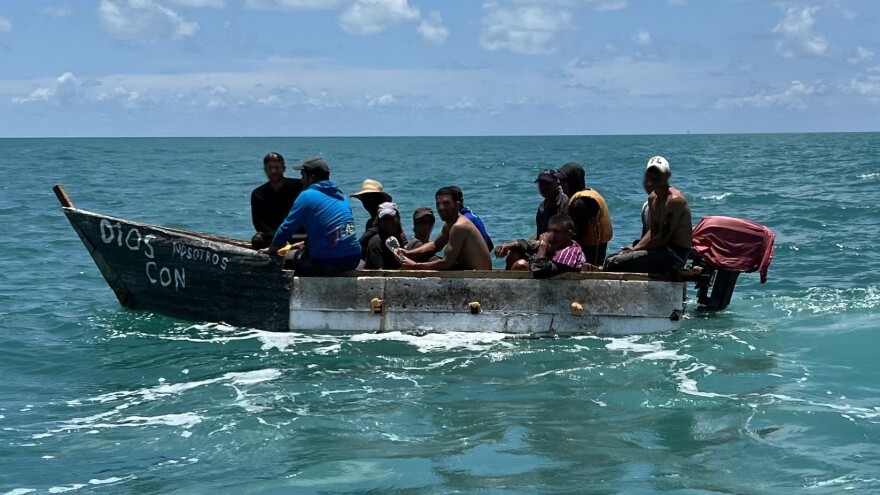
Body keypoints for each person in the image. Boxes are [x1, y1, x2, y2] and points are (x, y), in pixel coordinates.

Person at [263, 157, 361, 276]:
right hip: (353, 259)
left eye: (303, 175)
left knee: (289, 258)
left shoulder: (307, 196)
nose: (302, 180)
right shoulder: (342, 196)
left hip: (326, 262)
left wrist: (272, 249)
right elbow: (344, 228)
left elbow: (287, 227)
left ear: (312, 177)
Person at [604, 156, 693, 274]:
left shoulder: (675, 200)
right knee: (612, 258)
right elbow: (653, 231)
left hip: (675, 255)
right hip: (660, 250)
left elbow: (663, 238)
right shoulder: (653, 198)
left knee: (613, 263)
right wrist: (634, 249)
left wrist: (637, 249)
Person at [398, 187, 492, 271]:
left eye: (446, 203)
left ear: (457, 205)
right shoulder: (450, 224)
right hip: (464, 268)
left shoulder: (459, 226)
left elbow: (446, 263)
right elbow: (435, 245)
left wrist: (415, 266)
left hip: (477, 274)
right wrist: (408, 253)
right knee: (425, 256)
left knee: (429, 260)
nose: (441, 207)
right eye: (438, 204)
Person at [493, 168, 568, 269]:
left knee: (521, 265)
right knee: (513, 255)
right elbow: (539, 235)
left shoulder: (565, 204)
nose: (543, 187)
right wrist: (516, 246)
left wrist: (515, 244)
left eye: (547, 183)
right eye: (541, 183)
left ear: (557, 183)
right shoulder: (542, 207)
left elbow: (554, 239)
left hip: (557, 251)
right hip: (542, 247)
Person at [557, 162, 613, 266]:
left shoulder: (581, 202)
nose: (561, 184)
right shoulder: (582, 196)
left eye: (564, 181)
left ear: (573, 181)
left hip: (590, 252)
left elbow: (578, 233)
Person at [250, 152, 304, 249]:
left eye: (276, 167)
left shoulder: (299, 186)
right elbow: (258, 223)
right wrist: (279, 238)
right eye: (269, 168)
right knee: (257, 240)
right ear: (265, 170)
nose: (273, 171)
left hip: (298, 235)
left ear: (283, 168)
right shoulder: (258, 194)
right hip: (274, 236)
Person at [506, 214, 586, 278]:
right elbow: (530, 245)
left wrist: (543, 246)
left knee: (521, 265)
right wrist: (507, 246)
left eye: (556, 232)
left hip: (559, 287)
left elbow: (540, 271)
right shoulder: (556, 245)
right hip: (546, 277)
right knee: (514, 254)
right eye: (549, 231)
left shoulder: (571, 251)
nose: (551, 235)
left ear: (569, 235)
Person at [350, 179, 407, 255]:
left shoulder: (381, 220)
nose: (366, 201)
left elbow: (361, 242)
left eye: (370, 197)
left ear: (379, 199)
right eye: (364, 198)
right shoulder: (371, 221)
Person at [362, 202, 406, 270]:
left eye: (391, 218)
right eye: (384, 219)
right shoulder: (376, 243)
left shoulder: (400, 239)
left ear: (398, 218)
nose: (388, 222)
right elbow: (380, 272)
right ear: (379, 221)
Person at [450, 186, 494, 251]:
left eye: (447, 203)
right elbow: (490, 245)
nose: (442, 207)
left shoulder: (463, 221)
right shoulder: (471, 215)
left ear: (460, 202)